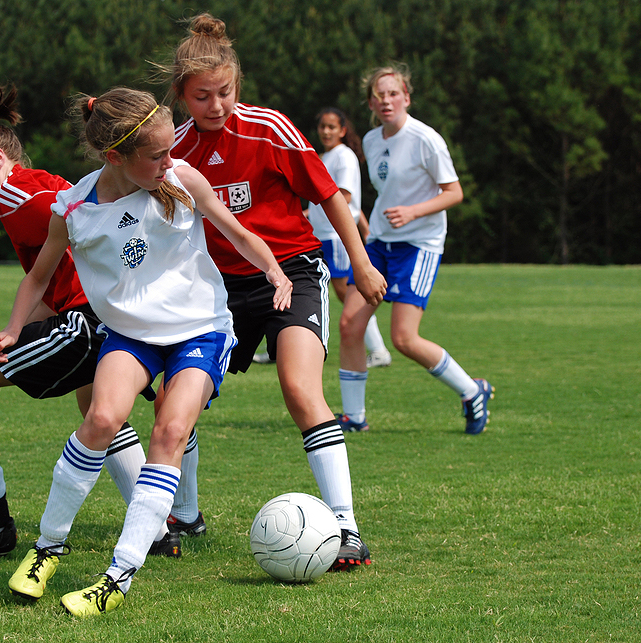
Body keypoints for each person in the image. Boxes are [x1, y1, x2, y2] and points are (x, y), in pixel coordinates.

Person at [0, 87, 291, 616]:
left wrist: (274, 269)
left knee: (170, 432)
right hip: (129, 334)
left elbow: (236, 231)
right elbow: (38, 277)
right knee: (102, 418)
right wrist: (14, 330)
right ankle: (47, 549)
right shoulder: (74, 207)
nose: (170, 162)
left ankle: (117, 577)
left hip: (202, 330)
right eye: (157, 156)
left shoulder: (183, 179)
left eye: (171, 150)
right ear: (114, 158)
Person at [164, 13, 387, 571]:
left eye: (225, 92)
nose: (216, 105)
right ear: (180, 96)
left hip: (292, 273)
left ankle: (345, 527)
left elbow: (331, 195)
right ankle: (184, 514)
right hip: (216, 290)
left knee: (298, 387)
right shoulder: (174, 149)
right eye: (202, 96)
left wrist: (359, 263)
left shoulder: (268, 129)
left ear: (239, 85)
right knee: (178, 399)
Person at [0, 77, 167, 558]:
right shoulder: (29, 189)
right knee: (97, 412)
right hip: (100, 318)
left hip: (88, 322)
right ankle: (154, 529)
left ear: (0, 160)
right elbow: (55, 273)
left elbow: (92, 215)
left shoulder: (22, 199)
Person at [339, 63, 494, 434]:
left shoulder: (427, 139)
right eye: (379, 95)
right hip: (379, 243)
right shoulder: (373, 141)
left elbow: (454, 193)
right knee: (349, 324)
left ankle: (472, 391)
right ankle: (354, 418)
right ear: (371, 104)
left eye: (393, 93)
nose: (387, 100)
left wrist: (412, 211)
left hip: (419, 246)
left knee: (403, 339)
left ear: (406, 97)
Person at [305, 107, 392, 431]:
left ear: (343, 130)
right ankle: (376, 349)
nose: (326, 132)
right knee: (342, 294)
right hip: (323, 233)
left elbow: (343, 198)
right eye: (322, 126)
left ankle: (378, 349)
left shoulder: (344, 157)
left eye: (332, 127)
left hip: (336, 235)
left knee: (346, 293)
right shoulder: (326, 156)